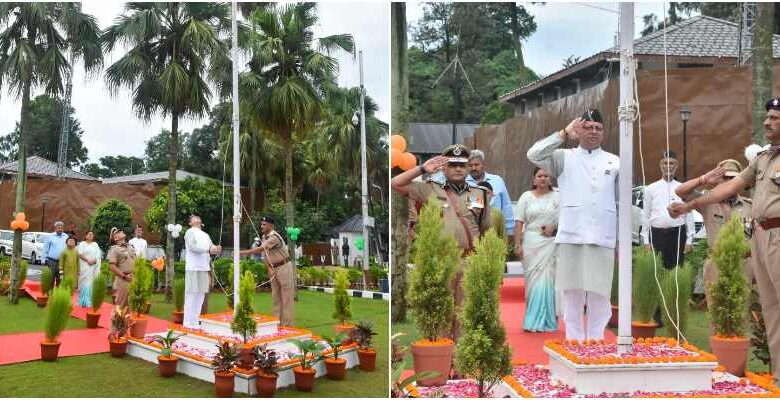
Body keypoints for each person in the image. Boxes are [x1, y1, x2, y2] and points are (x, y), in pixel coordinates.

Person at [669, 96, 780, 384]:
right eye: (767, 117)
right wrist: (692, 205)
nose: (767, 122)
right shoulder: (764, 159)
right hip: (762, 236)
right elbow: (731, 185)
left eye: (775, 118)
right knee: (770, 310)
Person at [527, 109, 618, 341]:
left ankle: (597, 340)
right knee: (572, 293)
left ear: (604, 131)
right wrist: (564, 133)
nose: (593, 132)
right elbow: (534, 154)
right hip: (571, 234)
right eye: (587, 127)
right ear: (579, 130)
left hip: (602, 236)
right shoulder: (564, 157)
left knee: (599, 293)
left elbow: (622, 200)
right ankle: (575, 341)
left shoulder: (614, 161)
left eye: (598, 128)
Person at [391, 144, 491, 340]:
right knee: (442, 311)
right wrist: (422, 169)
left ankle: (460, 363)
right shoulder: (430, 189)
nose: (457, 169)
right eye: (452, 165)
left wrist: (485, 260)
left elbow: (485, 228)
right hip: (442, 261)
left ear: (469, 167)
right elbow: (396, 183)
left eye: (462, 165)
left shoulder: (479, 193)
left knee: (464, 313)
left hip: (468, 260)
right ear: (443, 168)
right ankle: (443, 360)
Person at [674, 159, 752, 308]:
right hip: (716, 261)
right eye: (725, 177)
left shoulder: (750, 206)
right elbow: (680, 191)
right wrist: (703, 179)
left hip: (743, 263)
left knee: (741, 311)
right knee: (717, 310)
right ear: (718, 180)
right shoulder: (707, 201)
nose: (729, 182)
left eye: (733, 178)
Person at [514, 167, 560, 332]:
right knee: (533, 281)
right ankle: (532, 320)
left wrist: (554, 226)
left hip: (551, 243)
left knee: (548, 279)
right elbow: (519, 222)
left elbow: (568, 219)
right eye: (539, 176)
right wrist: (517, 244)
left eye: (546, 176)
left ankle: (547, 321)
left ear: (550, 179)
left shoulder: (558, 196)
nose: (542, 178)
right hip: (531, 242)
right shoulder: (526, 197)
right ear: (534, 179)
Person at [641, 151, 695, 269]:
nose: (668, 166)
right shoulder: (651, 189)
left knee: (676, 270)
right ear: (661, 165)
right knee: (657, 270)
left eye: (671, 163)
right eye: (665, 163)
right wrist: (645, 240)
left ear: (676, 166)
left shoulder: (682, 188)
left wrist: (689, 240)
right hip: (656, 235)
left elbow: (689, 215)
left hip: (677, 235)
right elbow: (646, 215)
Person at [240, 216, 295, 326]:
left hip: (284, 267)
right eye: (261, 224)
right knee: (276, 297)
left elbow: (262, 249)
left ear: (271, 225)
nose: (262, 226)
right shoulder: (264, 237)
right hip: (273, 268)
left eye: (264, 224)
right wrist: (269, 268)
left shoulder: (274, 237)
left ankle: (288, 325)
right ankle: (277, 323)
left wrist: (243, 253)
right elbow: (264, 255)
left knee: (287, 297)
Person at [466, 149, 515, 240]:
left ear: (484, 165)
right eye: (470, 165)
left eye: (476, 165)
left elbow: (506, 206)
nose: (473, 168)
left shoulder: (497, 181)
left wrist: (510, 231)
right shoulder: (463, 183)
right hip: (472, 234)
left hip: (496, 230)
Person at [183, 215, 221, 329]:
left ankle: (195, 321)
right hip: (193, 268)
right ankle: (187, 322)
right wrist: (208, 250)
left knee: (200, 296)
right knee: (191, 295)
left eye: (198, 217)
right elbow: (192, 246)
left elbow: (211, 247)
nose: (197, 218)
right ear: (190, 223)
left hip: (204, 268)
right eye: (194, 218)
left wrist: (216, 248)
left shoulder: (205, 235)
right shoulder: (190, 232)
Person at [107, 228, 135, 308]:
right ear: (116, 238)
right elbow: (112, 267)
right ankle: (117, 320)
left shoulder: (130, 247)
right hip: (123, 279)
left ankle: (127, 320)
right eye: (118, 232)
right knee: (121, 305)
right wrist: (124, 276)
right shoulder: (114, 249)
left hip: (133, 278)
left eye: (121, 230)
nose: (122, 231)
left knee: (131, 306)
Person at [77, 230, 102, 308]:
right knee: (83, 282)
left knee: (90, 282)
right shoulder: (82, 244)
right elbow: (80, 254)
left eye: (92, 235)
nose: (91, 236)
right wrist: (88, 260)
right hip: (84, 265)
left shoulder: (95, 244)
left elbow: (98, 255)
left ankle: (88, 301)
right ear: (86, 236)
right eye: (89, 234)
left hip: (93, 267)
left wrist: (95, 260)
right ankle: (82, 301)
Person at [42, 221, 68, 287]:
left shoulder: (66, 236)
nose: (60, 229)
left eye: (61, 228)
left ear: (63, 228)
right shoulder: (50, 236)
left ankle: (58, 293)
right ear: (55, 228)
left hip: (62, 262)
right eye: (58, 228)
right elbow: (45, 248)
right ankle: (50, 294)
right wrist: (43, 258)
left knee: (60, 278)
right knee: (51, 278)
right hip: (52, 261)